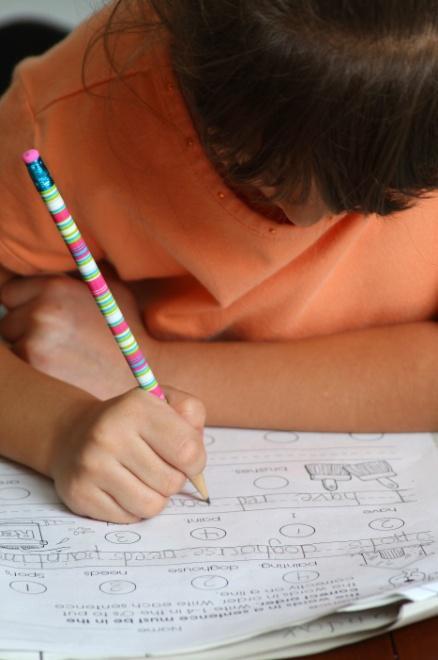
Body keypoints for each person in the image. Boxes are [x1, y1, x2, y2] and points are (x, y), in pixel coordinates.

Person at [0, 0, 437, 523]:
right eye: (253, 171)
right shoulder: (62, 121)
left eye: (384, 195)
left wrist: (154, 368)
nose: (300, 221)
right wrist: (59, 427)